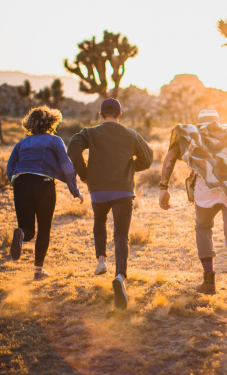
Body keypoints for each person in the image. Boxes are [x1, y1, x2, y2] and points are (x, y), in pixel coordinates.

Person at [159, 110, 227, 334]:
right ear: (219, 122)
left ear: (199, 123)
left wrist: (163, 187)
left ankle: (209, 282)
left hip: (205, 194)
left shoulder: (193, 136)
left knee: (203, 229)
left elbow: (170, 157)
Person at [68, 98, 153, 310]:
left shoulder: (90, 133)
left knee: (99, 221)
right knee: (121, 235)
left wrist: (85, 173)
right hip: (123, 190)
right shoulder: (131, 134)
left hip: (98, 191)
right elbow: (149, 158)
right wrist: (131, 166)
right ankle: (120, 276)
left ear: (101, 115)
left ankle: (101, 261)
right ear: (120, 115)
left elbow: (72, 148)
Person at [6, 106, 83, 280]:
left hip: (21, 182)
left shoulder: (22, 143)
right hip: (44, 183)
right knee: (44, 228)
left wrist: (17, 183)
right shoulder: (55, 140)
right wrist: (75, 191)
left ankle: (21, 233)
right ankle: (38, 271)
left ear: (30, 123)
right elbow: (66, 166)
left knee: (28, 229)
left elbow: (10, 168)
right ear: (51, 122)